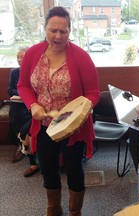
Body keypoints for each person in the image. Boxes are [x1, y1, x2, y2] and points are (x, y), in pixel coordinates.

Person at [17, 6, 100, 216]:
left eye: (63, 31)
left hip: (74, 128)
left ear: (69, 31)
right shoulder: (32, 54)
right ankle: (53, 208)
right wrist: (33, 105)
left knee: (74, 170)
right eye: (53, 30)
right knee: (47, 168)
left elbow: (93, 93)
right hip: (44, 124)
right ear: (44, 28)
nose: (58, 35)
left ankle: (75, 211)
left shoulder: (81, 57)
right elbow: (23, 86)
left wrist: (80, 112)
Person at [8, 46, 29, 163]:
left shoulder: (34, 71)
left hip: (31, 102)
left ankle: (24, 140)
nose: (19, 59)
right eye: (18, 57)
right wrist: (22, 94)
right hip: (18, 101)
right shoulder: (14, 72)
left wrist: (24, 94)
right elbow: (10, 90)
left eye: (22, 56)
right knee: (15, 109)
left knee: (18, 111)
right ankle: (21, 143)